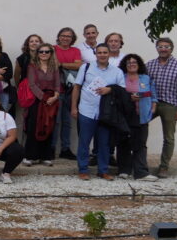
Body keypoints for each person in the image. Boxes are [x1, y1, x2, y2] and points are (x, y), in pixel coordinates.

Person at [71, 43, 125, 180]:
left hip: (106, 113)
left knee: (104, 143)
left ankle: (103, 170)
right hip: (86, 110)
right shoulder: (86, 67)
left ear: (109, 54)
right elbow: (76, 87)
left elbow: (122, 90)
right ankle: (83, 170)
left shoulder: (117, 71)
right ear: (95, 54)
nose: (102, 55)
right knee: (84, 142)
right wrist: (73, 107)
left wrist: (110, 89)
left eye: (105, 52)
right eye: (99, 52)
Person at [146, 37, 177, 178]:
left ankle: (164, 167)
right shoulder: (150, 65)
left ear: (172, 49)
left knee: (169, 137)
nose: (163, 49)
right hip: (152, 103)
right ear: (156, 48)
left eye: (166, 47)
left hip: (170, 105)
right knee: (137, 128)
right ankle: (138, 162)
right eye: (160, 46)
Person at [116, 53, 157, 181]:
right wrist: (129, 97)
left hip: (141, 115)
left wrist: (153, 109)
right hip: (124, 115)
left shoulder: (146, 78)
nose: (132, 64)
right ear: (125, 65)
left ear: (139, 65)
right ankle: (124, 170)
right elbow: (117, 96)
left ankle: (141, 172)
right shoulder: (120, 77)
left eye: (134, 62)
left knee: (140, 143)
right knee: (123, 142)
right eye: (129, 63)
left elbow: (153, 96)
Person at [23, 43, 61, 166]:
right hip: (37, 101)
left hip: (51, 101)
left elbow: (57, 83)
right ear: (37, 53)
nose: (44, 54)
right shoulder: (32, 66)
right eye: (41, 51)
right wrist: (44, 98)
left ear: (51, 53)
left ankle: (45, 156)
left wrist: (55, 96)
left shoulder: (54, 67)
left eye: (47, 51)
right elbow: (32, 85)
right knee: (33, 127)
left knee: (48, 127)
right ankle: (30, 156)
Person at [53, 27, 83, 160]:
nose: (65, 38)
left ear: (72, 38)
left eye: (68, 36)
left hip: (71, 91)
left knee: (67, 121)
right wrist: (67, 65)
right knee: (56, 121)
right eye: (63, 35)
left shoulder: (75, 50)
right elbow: (51, 64)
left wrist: (62, 64)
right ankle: (51, 148)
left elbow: (78, 65)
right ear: (59, 37)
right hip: (56, 90)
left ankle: (65, 149)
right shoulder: (52, 49)